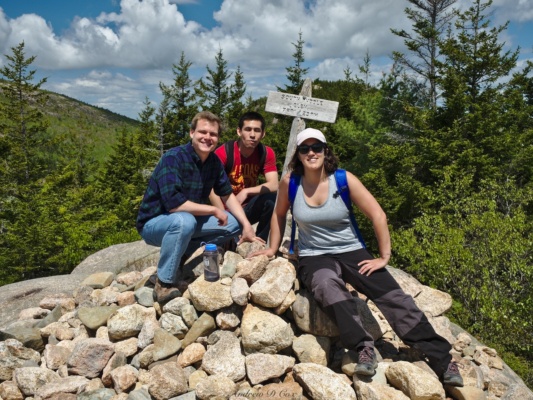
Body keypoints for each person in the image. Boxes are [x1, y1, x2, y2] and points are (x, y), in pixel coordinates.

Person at [249, 128, 463, 387]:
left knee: (394, 298)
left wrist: (384, 256)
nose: (311, 152)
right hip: (315, 256)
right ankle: (364, 347)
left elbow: (378, 215)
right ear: (298, 154)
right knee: (328, 287)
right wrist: (272, 249)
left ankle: (442, 359)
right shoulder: (290, 182)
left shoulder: (343, 179)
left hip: (352, 251)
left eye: (317, 147)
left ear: (326, 151)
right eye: (305, 148)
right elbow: (278, 213)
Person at [136, 111, 257, 304]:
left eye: (213, 134)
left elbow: (227, 194)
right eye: (203, 132)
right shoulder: (173, 158)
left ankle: (176, 262)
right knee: (185, 220)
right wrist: (213, 210)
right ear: (192, 133)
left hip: (185, 222)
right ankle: (164, 283)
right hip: (154, 223)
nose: (207, 137)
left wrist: (246, 225)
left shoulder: (213, 163)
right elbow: (175, 205)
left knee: (232, 223)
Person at [209, 111, 278, 242]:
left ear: (263, 134)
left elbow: (274, 184)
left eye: (257, 130)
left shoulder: (266, 153)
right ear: (239, 132)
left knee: (271, 199)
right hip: (225, 210)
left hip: (248, 207)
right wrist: (223, 217)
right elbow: (212, 190)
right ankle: (228, 237)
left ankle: (259, 242)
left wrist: (246, 191)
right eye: (248, 129)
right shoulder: (224, 153)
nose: (252, 135)